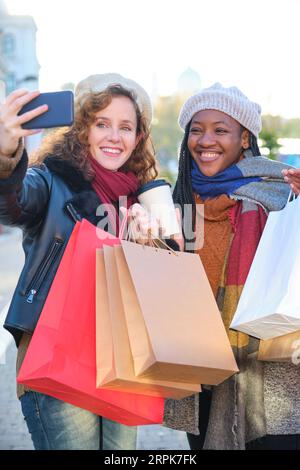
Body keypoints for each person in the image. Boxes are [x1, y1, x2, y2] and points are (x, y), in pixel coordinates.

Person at [0, 73, 160, 450]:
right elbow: (12, 203)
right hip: (58, 355)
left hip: (124, 360)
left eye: (126, 127)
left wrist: (149, 242)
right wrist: (6, 154)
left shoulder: (145, 198)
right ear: (82, 129)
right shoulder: (51, 180)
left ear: (138, 138)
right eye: (101, 123)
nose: (113, 136)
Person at [164, 83, 300, 450]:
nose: (206, 140)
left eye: (220, 130)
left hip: (272, 373)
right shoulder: (173, 203)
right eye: (196, 129)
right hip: (200, 367)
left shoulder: (282, 192)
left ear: (244, 139)